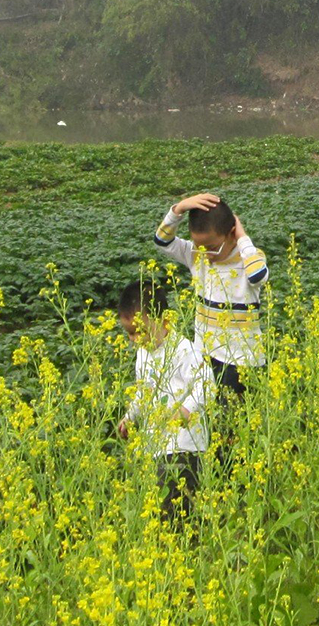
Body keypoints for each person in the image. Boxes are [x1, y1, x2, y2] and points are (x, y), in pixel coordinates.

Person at [152, 193, 269, 403]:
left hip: (241, 363)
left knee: (234, 427)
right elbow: (162, 241)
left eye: (213, 248)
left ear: (231, 234)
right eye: (200, 247)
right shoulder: (197, 255)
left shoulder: (249, 259)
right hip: (204, 356)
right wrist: (178, 210)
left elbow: (258, 275)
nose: (206, 254)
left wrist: (242, 237)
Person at [114, 280, 211, 521]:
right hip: (157, 446)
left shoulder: (183, 349)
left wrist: (186, 410)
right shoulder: (143, 353)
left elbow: (206, 383)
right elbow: (143, 391)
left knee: (180, 513)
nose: (136, 339)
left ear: (164, 321)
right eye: (130, 334)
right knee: (161, 509)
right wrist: (129, 416)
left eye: (141, 331)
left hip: (186, 447)